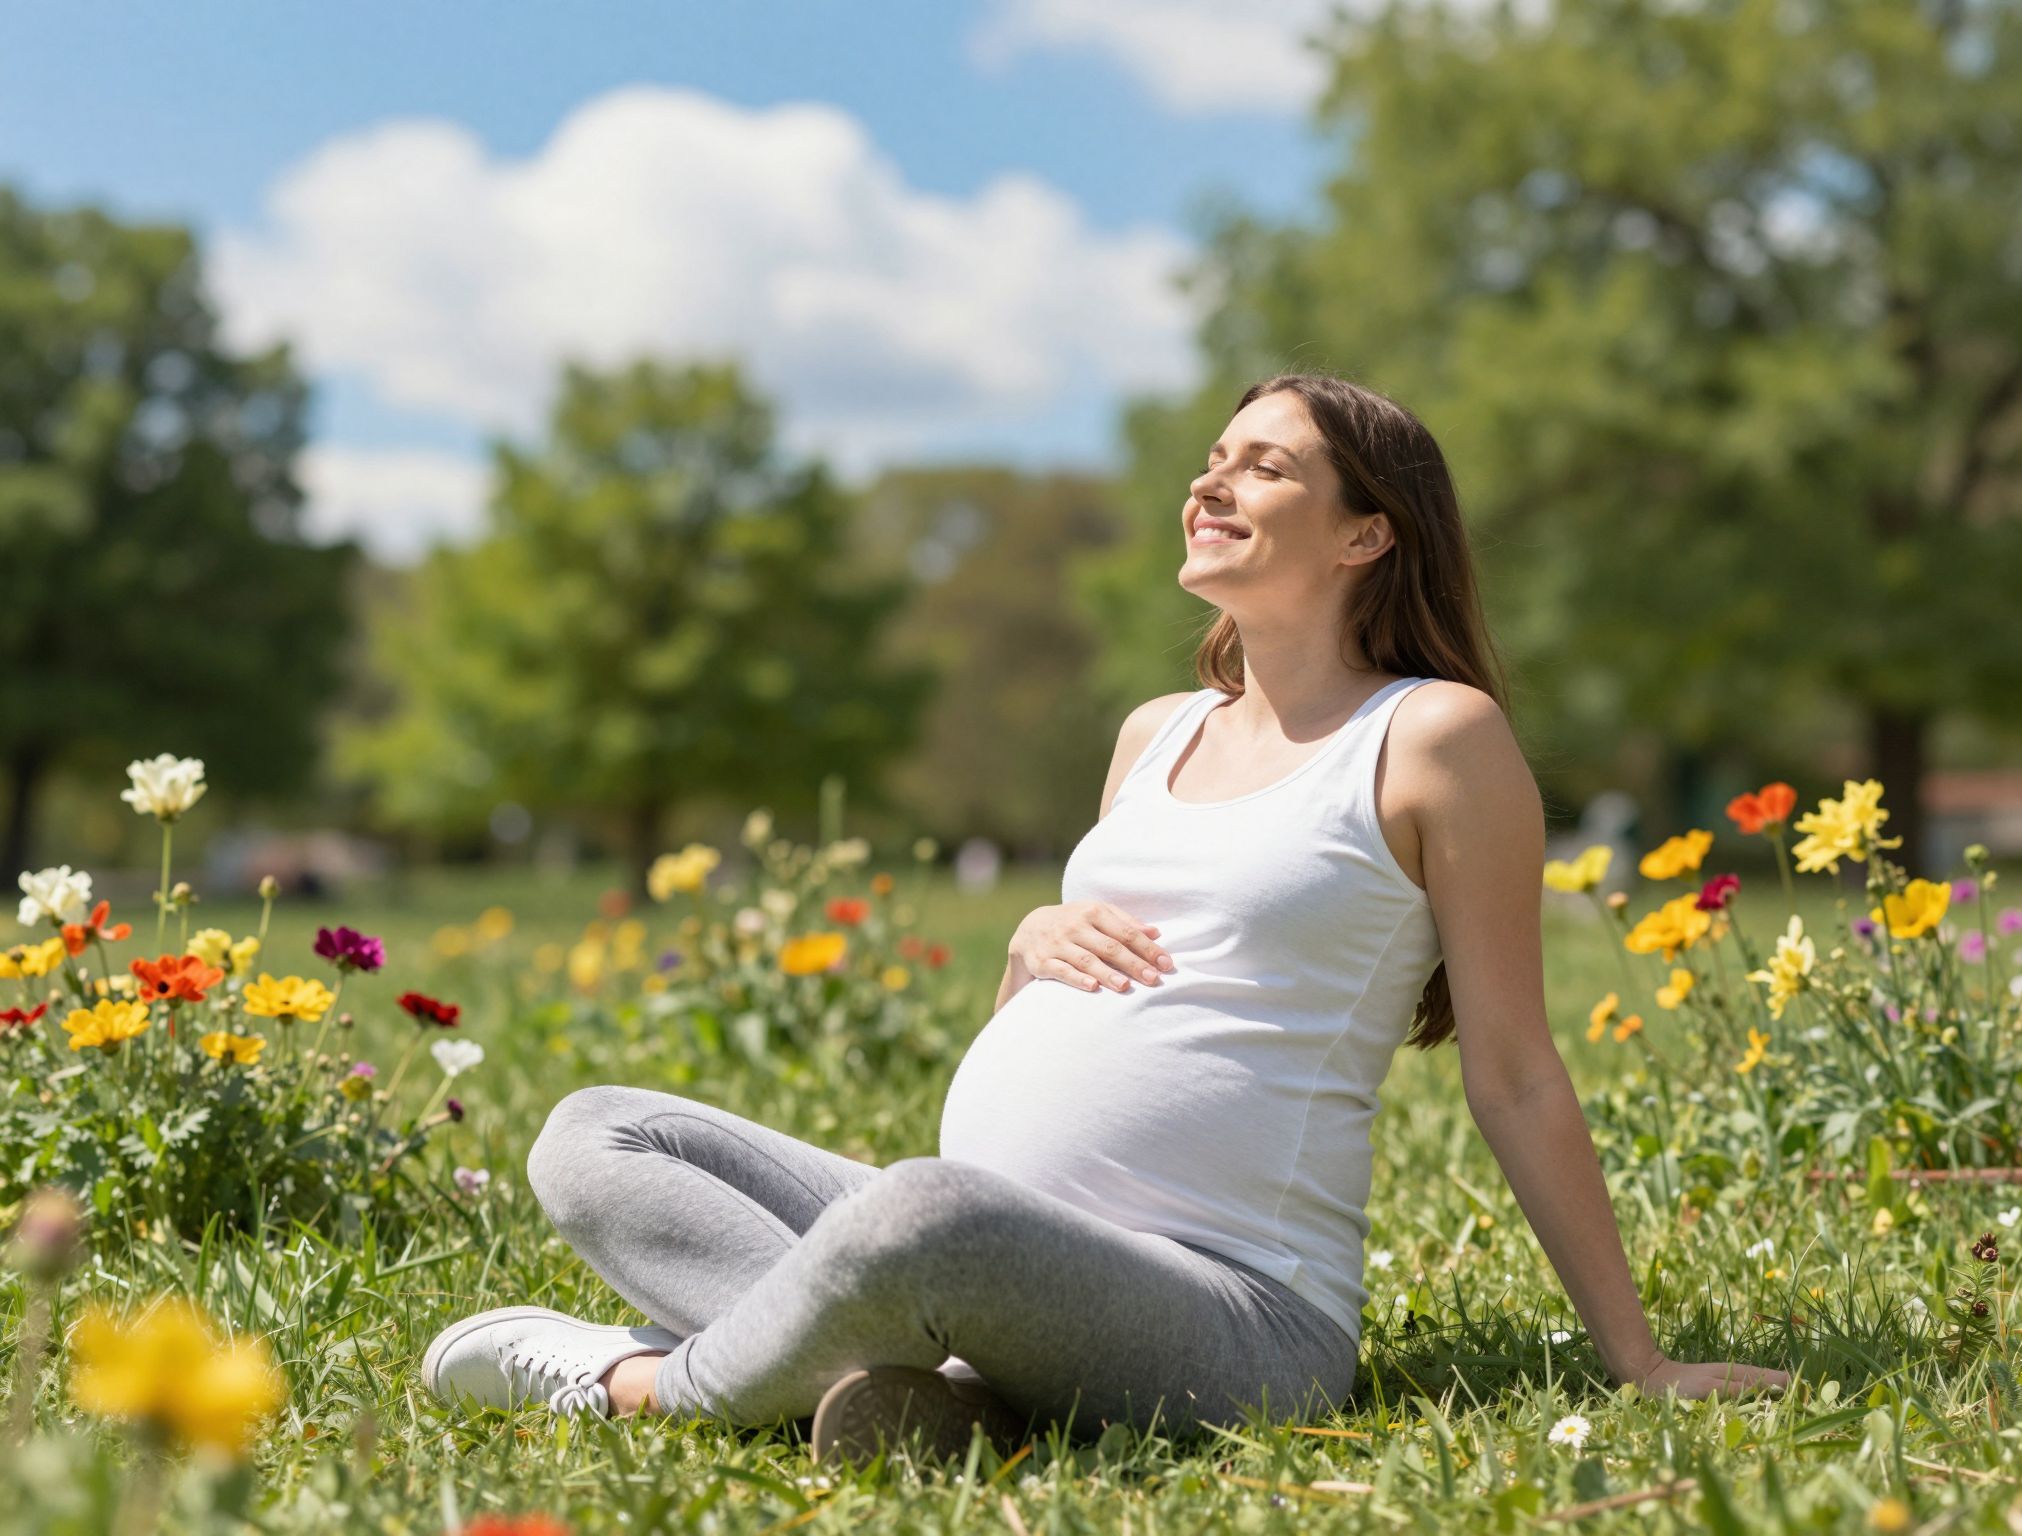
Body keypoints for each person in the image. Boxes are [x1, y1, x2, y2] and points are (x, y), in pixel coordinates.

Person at [421, 373, 1790, 1463]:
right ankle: (950, 1390)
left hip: (1234, 1310)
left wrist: (1639, 1361)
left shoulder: (1434, 739)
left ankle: (636, 1382)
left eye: (1266, 466)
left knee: (922, 1216)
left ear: (1367, 533)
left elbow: (1515, 1072)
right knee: (597, 1133)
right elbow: (1059, 1030)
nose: (1212, 481)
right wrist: (1026, 948)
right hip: (1000, 1237)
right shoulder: (1154, 733)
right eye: (1214, 457)